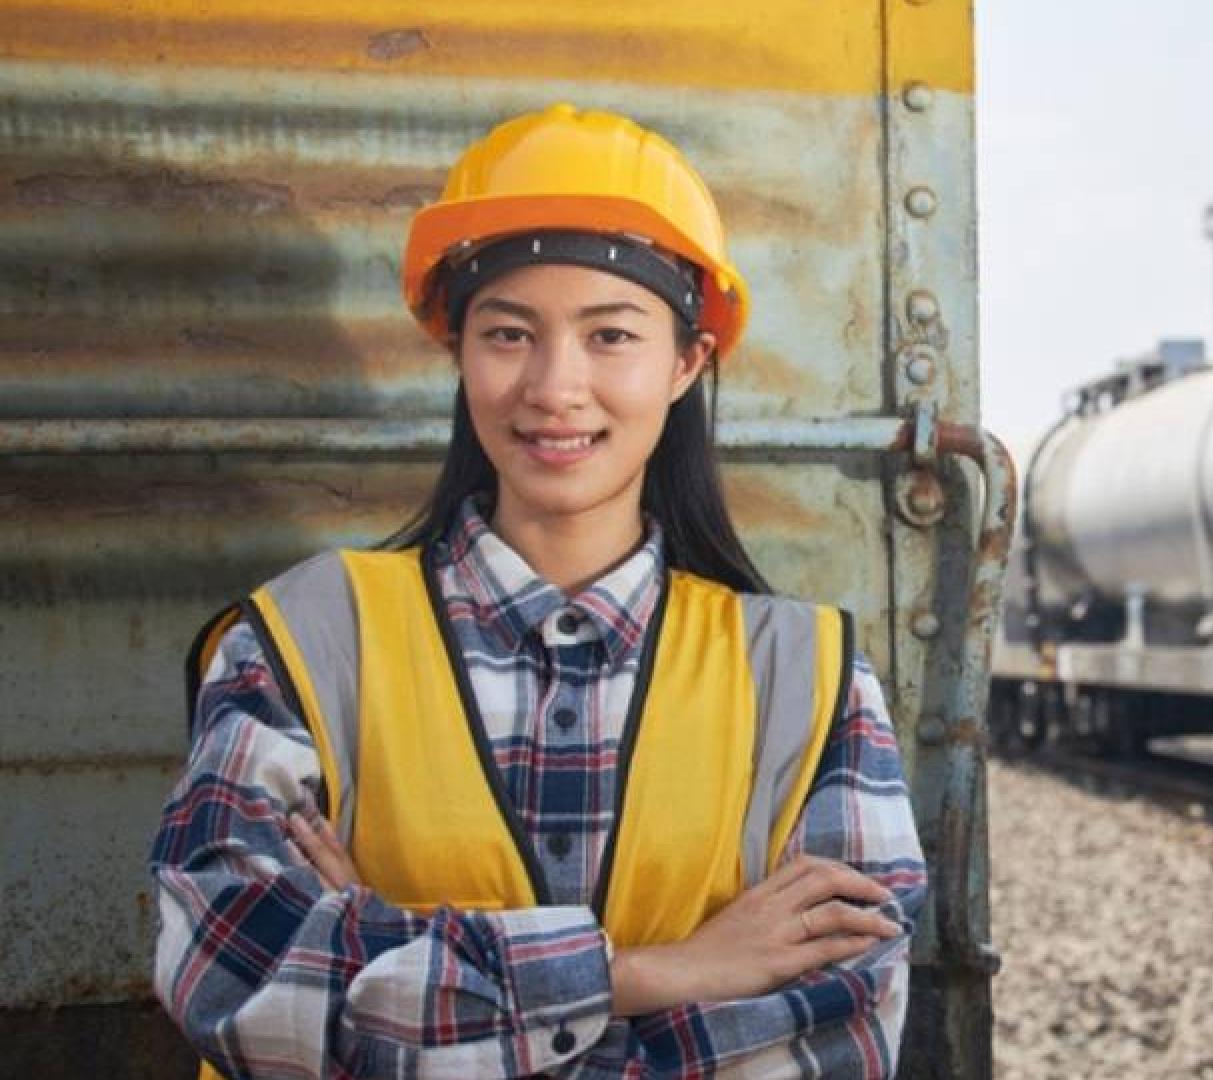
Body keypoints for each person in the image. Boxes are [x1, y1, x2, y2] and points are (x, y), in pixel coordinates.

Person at [149, 103, 926, 1078]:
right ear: (458, 352)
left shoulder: (805, 679)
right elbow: (233, 978)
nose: (555, 387)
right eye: (509, 334)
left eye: (611, 336)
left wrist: (400, 975)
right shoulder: (300, 639)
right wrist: (662, 971)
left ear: (687, 360)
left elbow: (838, 1033)